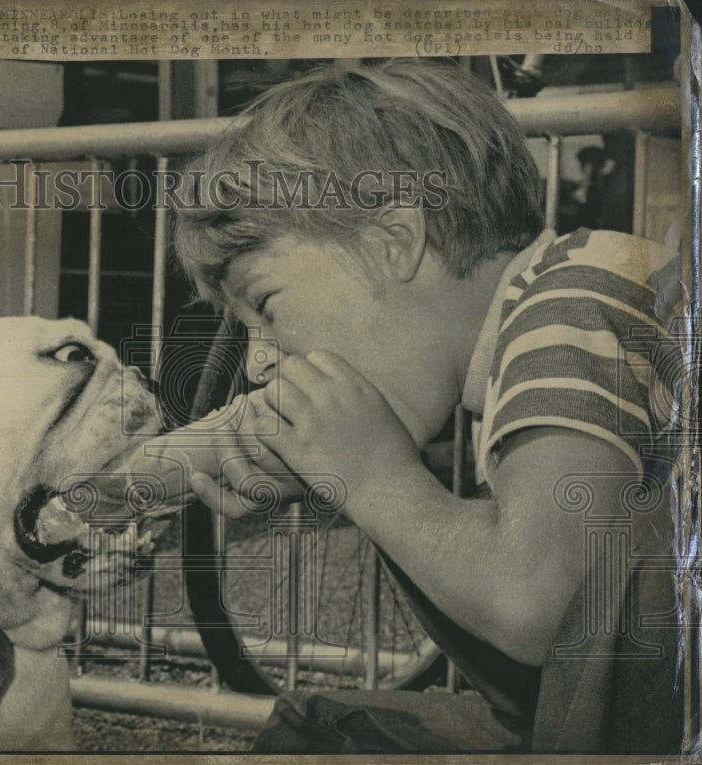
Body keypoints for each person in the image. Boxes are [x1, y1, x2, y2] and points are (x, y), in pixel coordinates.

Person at [144, 58, 686, 753]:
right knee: (322, 730)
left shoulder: (580, 297)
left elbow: (535, 607)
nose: (257, 360)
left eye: (267, 306)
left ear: (392, 241)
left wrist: (377, 478)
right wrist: (357, 472)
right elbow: (545, 671)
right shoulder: (543, 320)